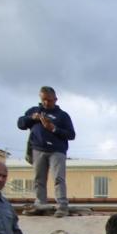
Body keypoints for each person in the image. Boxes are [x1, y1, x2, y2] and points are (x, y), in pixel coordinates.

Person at [17, 86, 76, 216]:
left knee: (58, 178)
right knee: (39, 178)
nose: (46, 103)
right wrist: (32, 118)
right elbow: (20, 123)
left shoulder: (62, 116)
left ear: (55, 99)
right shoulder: (34, 111)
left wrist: (53, 128)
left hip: (57, 150)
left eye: (49, 100)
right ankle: (40, 204)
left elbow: (71, 135)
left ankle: (62, 205)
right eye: (44, 100)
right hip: (38, 149)